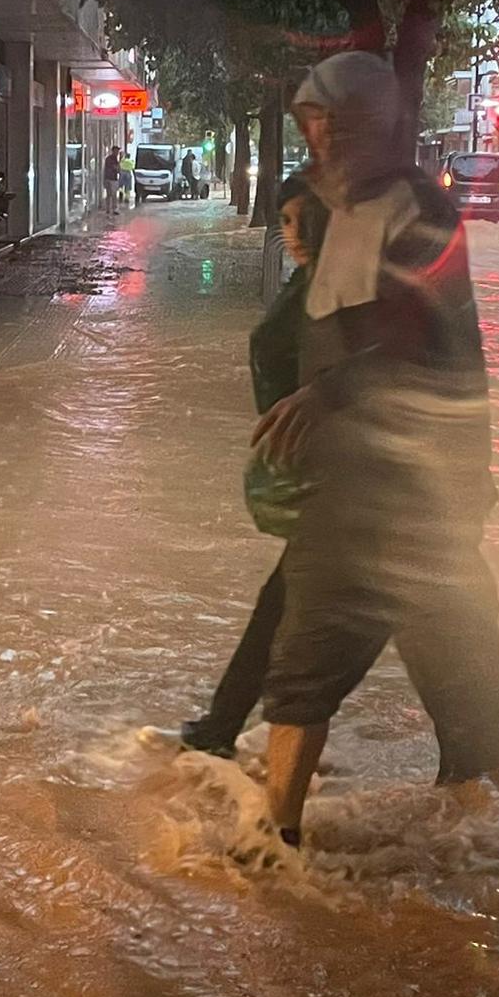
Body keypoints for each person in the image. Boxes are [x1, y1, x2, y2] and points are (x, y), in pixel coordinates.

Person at [252, 51, 499, 888]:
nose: (317, 141)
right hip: (368, 488)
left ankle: (269, 856)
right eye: (309, 125)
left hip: (406, 492)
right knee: (441, 670)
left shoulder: (419, 213)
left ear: (369, 126)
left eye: (328, 124)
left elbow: (423, 343)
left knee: (327, 663)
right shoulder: (353, 212)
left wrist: (327, 395)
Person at [168, 176, 328, 757]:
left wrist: (325, 395)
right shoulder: (309, 283)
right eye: (285, 222)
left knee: (285, 617)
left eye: (306, 220)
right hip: (330, 488)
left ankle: (226, 735)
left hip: (356, 491)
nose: (295, 235)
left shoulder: (342, 293)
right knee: (435, 637)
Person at [102, 145, 122, 216]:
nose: (118, 152)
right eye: (117, 151)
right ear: (113, 151)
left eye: (118, 151)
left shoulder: (114, 159)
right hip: (111, 179)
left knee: (111, 195)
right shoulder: (111, 159)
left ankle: (110, 209)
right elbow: (116, 168)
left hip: (110, 178)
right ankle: (112, 209)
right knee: (111, 195)